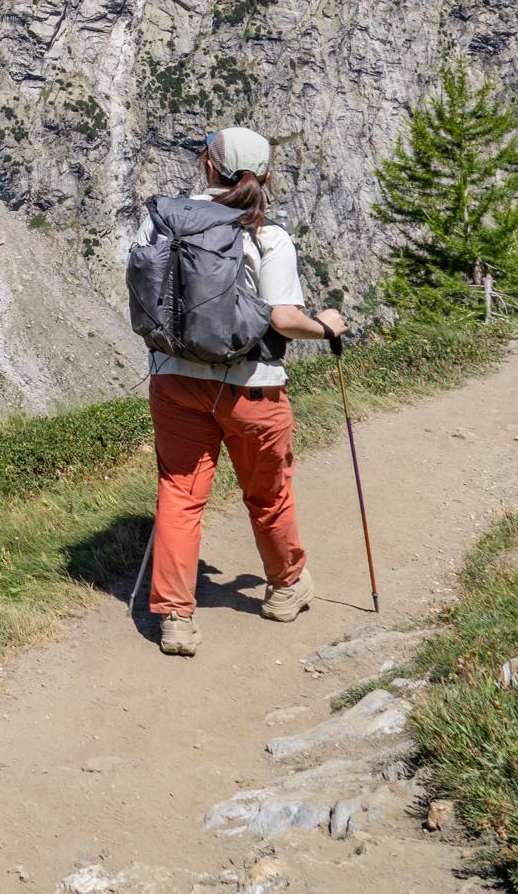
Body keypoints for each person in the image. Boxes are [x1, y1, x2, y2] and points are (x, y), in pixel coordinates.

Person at [140, 125, 346, 657]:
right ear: (266, 176)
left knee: (181, 496)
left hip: (176, 379)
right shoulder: (266, 236)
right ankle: (284, 589)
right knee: (268, 493)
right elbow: (282, 319)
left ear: (208, 167)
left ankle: (176, 619)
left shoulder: (166, 224)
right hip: (252, 389)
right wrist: (325, 327)